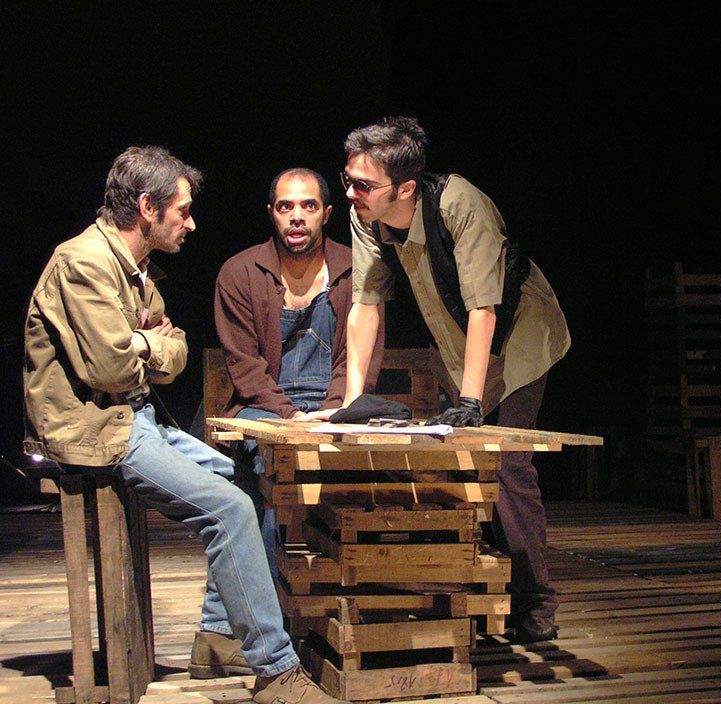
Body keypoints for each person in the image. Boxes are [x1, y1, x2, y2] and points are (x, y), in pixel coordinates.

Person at [23, 146, 344, 704]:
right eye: (183, 210)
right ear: (148, 208)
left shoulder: (134, 268)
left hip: (136, 417)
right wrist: (148, 344)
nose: (191, 224)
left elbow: (176, 353)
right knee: (230, 509)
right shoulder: (83, 263)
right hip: (97, 429)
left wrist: (144, 344)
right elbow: (110, 368)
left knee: (247, 483)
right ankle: (276, 669)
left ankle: (219, 636)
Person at [338, 116, 571, 643]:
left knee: (507, 466)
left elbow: (484, 307)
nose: (351, 193)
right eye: (348, 180)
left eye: (364, 185)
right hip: (461, 343)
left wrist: (469, 400)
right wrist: (353, 398)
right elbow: (366, 305)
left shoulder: (460, 204)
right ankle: (486, 596)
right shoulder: (367, 216)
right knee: (465, 468)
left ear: (405, 188)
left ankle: (536, 601)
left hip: (518, 338)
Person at [213, 167, 384, 580]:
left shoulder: (356, 268)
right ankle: (267, 600)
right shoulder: (240, 272)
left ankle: (353, 590)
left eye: (308, 206)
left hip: (334, 406)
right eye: (285, 207)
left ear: (327, 213)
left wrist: (335, 411)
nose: (296, 217)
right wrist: (289, 417)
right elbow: (245, 367)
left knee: (384, 466)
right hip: (266, 407)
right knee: (267, 463)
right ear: (271, 213)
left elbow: (360, 357)